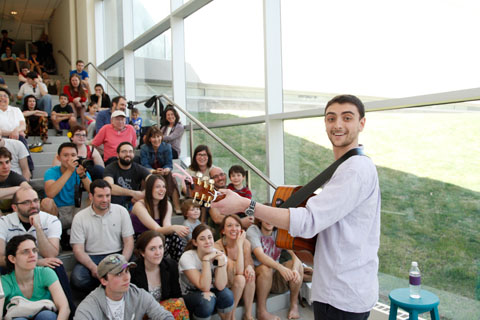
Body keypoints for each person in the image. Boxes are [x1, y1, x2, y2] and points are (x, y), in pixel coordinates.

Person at [212, 94, 381, 320]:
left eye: (347, 118)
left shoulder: (354, 170)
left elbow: (309, 221)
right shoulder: (346, 168)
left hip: (342, 293)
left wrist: (245, 204)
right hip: (340, 287)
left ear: (361, 123)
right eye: (331, 119)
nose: (338, 125)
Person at [0, 187, 76, 315]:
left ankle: (69, 313)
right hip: (17, 266)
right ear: (14, 207)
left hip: (42, 270)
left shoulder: (51, 220)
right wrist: (37, 262)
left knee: (56, 265)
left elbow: (51, 254)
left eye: (36, 200)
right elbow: (0, 257)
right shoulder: (4, 222)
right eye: (26, 202)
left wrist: (38, 227)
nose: (33, 205)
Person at [69, 179, 134, 294]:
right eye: (100, 196)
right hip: (92, 257)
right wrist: (93, 268)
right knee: (78, 278)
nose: (105, 200)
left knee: (138, 268)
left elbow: (129, 242)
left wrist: (122, 263)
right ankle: (100, 294)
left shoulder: (121, 211)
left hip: (117, 254)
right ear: (90, 196)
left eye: (108, 196)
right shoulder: (80, 217)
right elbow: (78, 250)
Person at [74, 253, 174, 320]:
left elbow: (164, 316)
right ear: (104, 280)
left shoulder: (138, 295)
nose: (126, 278)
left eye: (127, 271)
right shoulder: (88, 307)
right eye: (118, 274)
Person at [0, 234, 70, 320]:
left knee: (47, 316)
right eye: (25, 251)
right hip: (17, 316)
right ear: (12, 259)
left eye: (34, 250)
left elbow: (64, 308)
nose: (32, 255)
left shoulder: (46, 273)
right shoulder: (4, 281)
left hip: (44, 316)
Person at [246, 219, 303, 320]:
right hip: (257, 279)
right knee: (265, 269)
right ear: (260, 219)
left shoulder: (279, 232)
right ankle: (262, 312)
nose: (269, 220)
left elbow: (296, 255)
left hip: (275, 277)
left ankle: (294, 306)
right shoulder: (253, 230)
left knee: (297, 266)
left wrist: (294, 269)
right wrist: (280, 267)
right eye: (266, 217)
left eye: (272, 217)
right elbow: (260, 256)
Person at [41, 143, 92, 249]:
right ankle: (53, 240)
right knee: (46, 202)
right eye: (66, 155)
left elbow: (94, 191)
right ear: (59, 158)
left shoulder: (81, 170)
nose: (70, 158)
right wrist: (69, 171)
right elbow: (50, 193)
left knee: (93, 199)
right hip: (58, 211)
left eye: (73, 155)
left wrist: (82, 175)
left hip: (76, 210)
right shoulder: (51, 172)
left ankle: (87, 239)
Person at [178, 224, 233, 320]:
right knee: (207, 300)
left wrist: (221, 263)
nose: (207, 242)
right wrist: (206, 260)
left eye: (210, 237)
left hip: (210, 289)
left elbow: (220, 286)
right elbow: (204, 287)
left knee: (227, 295)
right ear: (195, 242)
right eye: (202, 239)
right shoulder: (187, 257)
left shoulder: (219, 255)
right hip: (190, 294)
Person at [130, 231, 189, 320]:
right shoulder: (132, 270)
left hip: (163, 311)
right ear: (142, 252)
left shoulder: (171, 265)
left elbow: (176, 295)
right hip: (141, 312)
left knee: (178, 304)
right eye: (152, 249)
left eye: (160, 247)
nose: (158, 253)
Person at [131, 175, 188, 262]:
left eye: (164, 186)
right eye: (157, 187)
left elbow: (166, 227)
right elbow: (157, 229)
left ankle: (179, 264)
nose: (162, 190)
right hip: (140, 238)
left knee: (173, 236)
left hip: (157, 236)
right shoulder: (139, 206)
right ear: (149, 189)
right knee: (165, 239)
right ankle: (160, 264)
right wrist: (174, 227)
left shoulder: (167, 205)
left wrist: (174, 229)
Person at [214, 215, 255, 320]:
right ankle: (231, 316)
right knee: (241, 278)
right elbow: (238, 270)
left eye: (237, 225)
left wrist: (250, 267)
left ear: (241, 229)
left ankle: (248, 315)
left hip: (236, 283)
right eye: (229, 225)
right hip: (222, 285)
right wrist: (239, 245)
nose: (234, 229)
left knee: (250, 276)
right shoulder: (217, 246)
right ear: (223, 230)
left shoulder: (246, 243)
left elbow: (248, 262)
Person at [140, 126, 181, 213]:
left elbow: (169, 163)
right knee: (146, 178)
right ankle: (147, 205)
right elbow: (144, 164)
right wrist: (154, 171)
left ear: (161, 137)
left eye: (158, 136)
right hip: (151, 172)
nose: (156, 139)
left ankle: (177, 205)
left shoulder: (167, 147)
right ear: (150, 139)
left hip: (163, 172)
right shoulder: (144, 148)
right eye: (153, 137)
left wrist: (166, 169)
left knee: (170, 176)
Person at [103, 142, 149, 208]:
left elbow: (153, 180)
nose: (128, 154)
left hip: (134, 202)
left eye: (130, 152)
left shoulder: (138, 168)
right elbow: (108, 187)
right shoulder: (110, 168)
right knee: (115, 198)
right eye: (124, 152)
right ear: (117, 155)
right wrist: (133, 193)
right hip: (115, 203)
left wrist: (142, 194)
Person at [0, 147, 30, 213]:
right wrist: (17, 189)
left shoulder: (14, 176)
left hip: (13, 214)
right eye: (0, 163)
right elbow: (23, 189)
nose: (5, 166)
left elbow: (28, 189)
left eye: (7, 162)